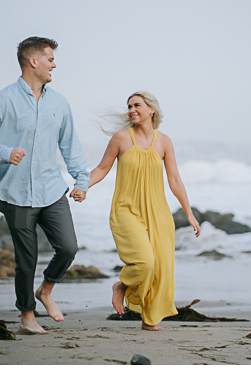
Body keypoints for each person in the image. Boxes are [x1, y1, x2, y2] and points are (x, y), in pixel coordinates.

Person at [0, 37, 89, 334]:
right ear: (33, 61)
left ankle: (45, 290)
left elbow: (70, 146)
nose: (54, 64)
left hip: (51, 189)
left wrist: (81, 180)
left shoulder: (59, 103)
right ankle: (27, 316)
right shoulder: (4, 99)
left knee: (68, 247)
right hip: (16, 191)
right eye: (50, 58)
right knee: (27, 259)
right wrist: (4, 153)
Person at [88, 92, 200, 330]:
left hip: (158, 212)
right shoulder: (121, 138)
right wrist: (81, 186)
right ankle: (121, 286)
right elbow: (101, 169)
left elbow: (175, 180)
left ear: (152, 110)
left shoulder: (164, 141)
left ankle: (149, 320)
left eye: (137, 105)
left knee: (161, 268)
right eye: (129, 106)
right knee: (145, 262)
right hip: (126, 209)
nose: (131, 110)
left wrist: (189, 213)